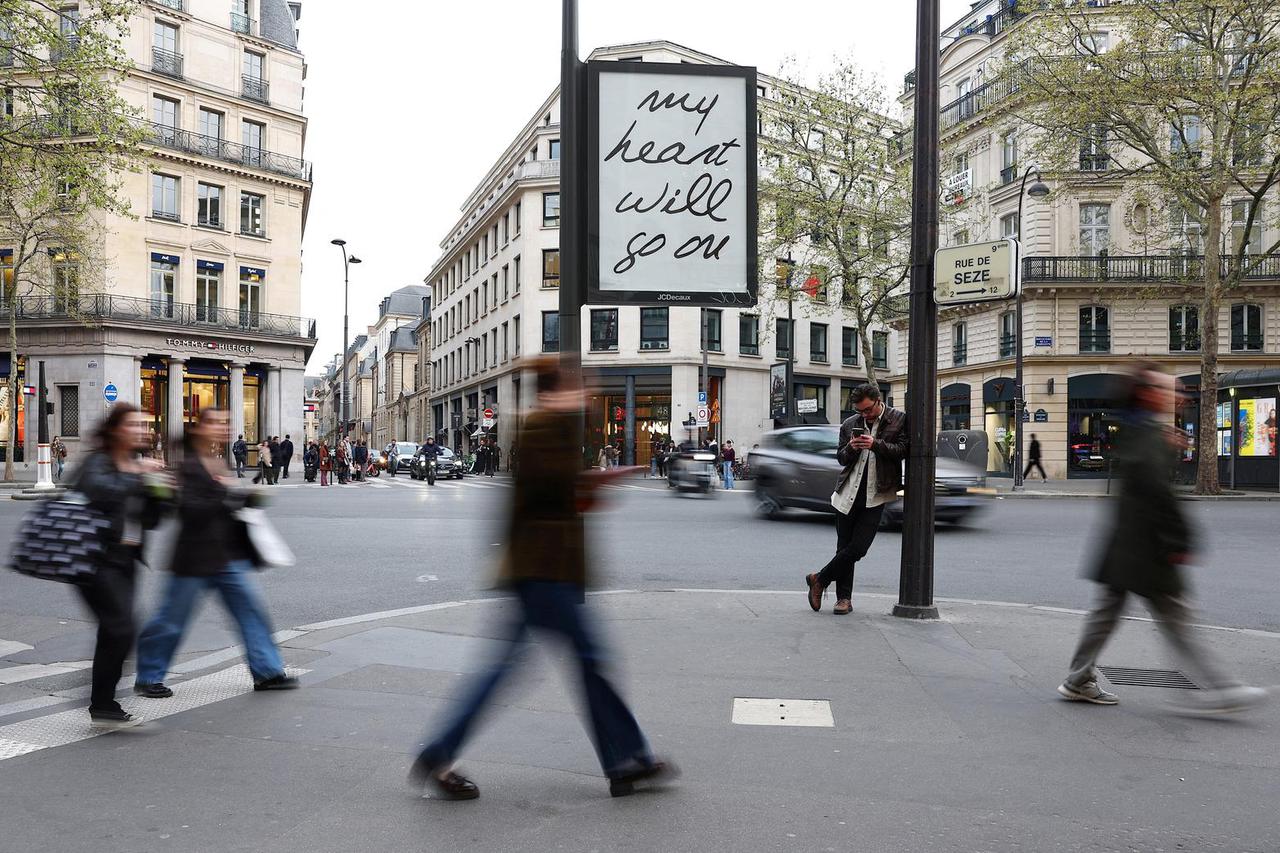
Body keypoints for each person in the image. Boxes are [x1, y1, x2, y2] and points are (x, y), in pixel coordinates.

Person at [410, 357, 674, 801]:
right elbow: (558, 495)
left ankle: (441, 752)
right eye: (578, 387)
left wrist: (593, 484)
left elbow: (557, 494)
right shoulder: (544, 429)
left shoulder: (548, 428)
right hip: (545, 570)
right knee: (587, 661)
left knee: (519, 668)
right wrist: (601, 482)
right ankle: (627, 759)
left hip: (542, 570)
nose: (586, 394)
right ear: (558, 391)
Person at [1057, 364, 1268, 713]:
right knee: (1176, 619)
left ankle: (1078, 679)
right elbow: (1158, 495)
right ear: (1148, 395)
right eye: (1169, 389)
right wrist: (1179, 540)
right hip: (1147, 548)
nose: (1177, 395)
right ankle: (1224, 690)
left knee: (1108, 614)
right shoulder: (1147, 437)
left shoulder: (1140, 430)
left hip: (1127, 544)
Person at [135, 407, 299, 698]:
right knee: (171, 619)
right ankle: (148, 676)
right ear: (200, 429)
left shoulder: (217, 461)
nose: (222, 427)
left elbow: (221, 503)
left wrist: (245, 498)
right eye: (215, 423)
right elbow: (190, 508)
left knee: (252, 613)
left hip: (226, 555)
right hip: (193, 558)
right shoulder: (188, 465)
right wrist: (228, 496)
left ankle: (267, 672)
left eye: (225, 423)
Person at [67, 403, 169, 728]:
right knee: (121, 628)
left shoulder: (136, 464)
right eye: (133, 425)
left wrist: (160, 492)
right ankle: (103, 704)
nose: (141, 431)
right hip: (95, 559)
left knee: (116, 630)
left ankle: (103, 703)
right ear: (114, 430)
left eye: (144, 425)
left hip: (125, 560)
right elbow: (98, 492)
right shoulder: (98, 461)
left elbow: (151, 520)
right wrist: (137, 475)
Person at [806, 383, 907, 616]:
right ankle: (844, 599)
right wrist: (851, 448)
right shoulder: (850, 424)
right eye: (860, 411)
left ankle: (819, 579)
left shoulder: (898, 419)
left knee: (858, 548)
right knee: (843, 548)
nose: (865, 415)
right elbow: (841, 458)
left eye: (868, 409)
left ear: (878, 401)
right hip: (847, 493)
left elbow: (903, 450)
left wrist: (875, 444)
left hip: (876, 494)